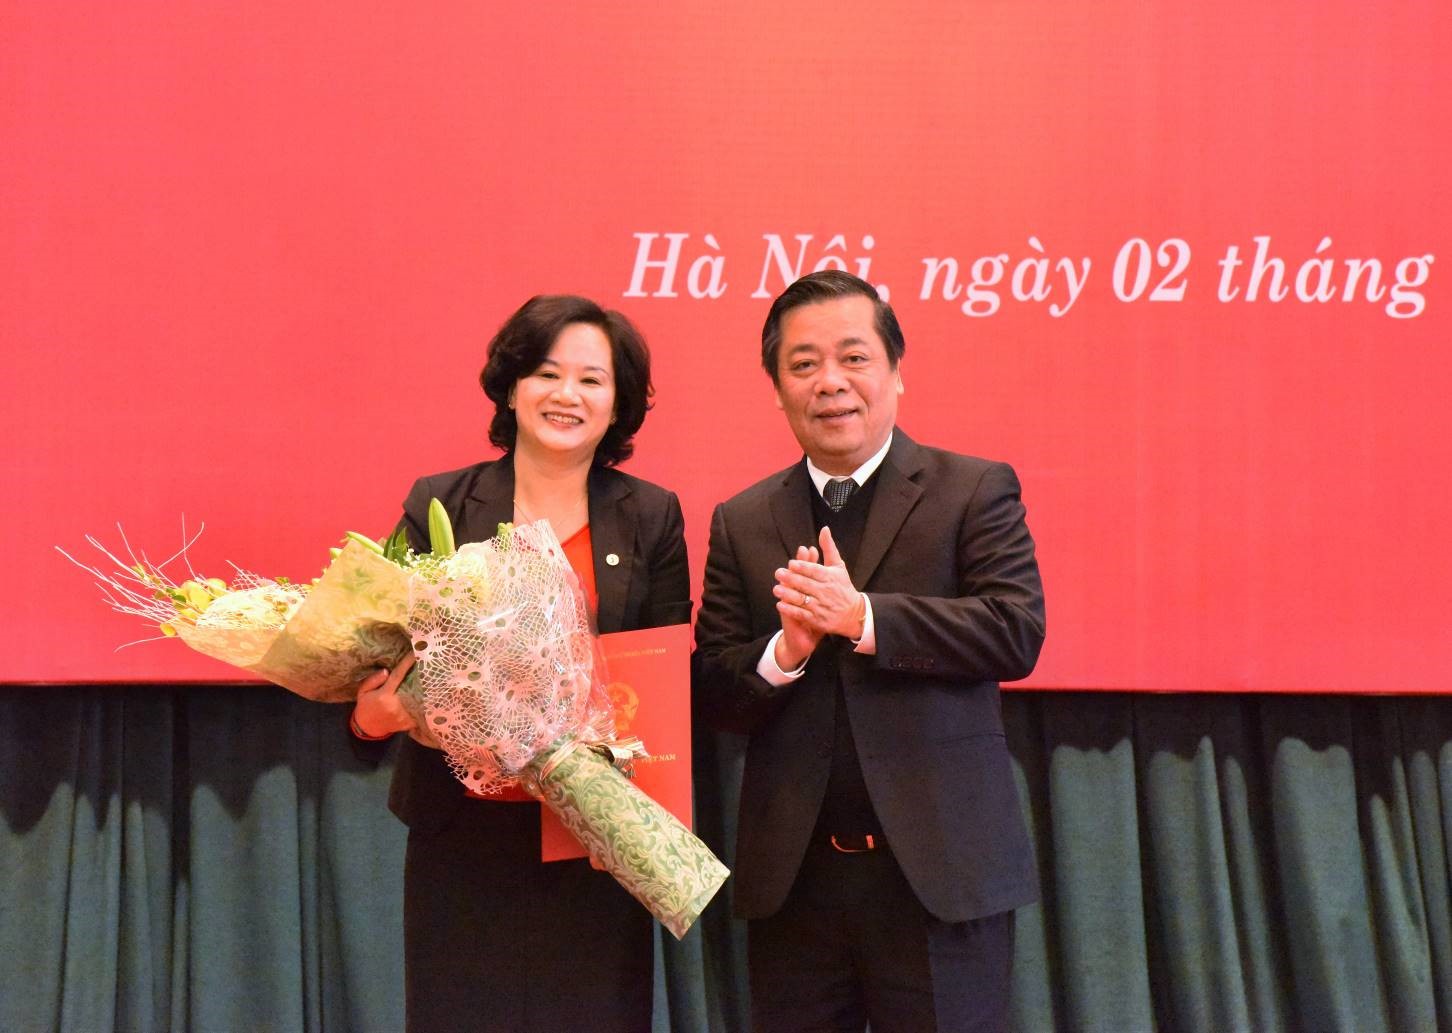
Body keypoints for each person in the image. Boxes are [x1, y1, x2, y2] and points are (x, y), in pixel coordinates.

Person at [693, 270, 1045, 1032]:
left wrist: (863, 617)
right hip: (796, 887)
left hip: (939, 879)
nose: (831, 382)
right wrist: (784, 652)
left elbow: (1015, 628)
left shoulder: (972, 489)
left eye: (854, 358)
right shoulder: (742, 520)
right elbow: (715, 689)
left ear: (896, 372)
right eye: (804, 364)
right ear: (777, 388)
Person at [350, 295, 691, 1032]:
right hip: (462, 838)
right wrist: (371, 717)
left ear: (618, 404)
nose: (567, 394)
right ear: (511, 387)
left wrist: (633, 817)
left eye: (592, 380)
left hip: (591, 834)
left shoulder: (651, 515)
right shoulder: (441, 502)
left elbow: (663, 679)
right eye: (546, 372)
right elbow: (380, 660)